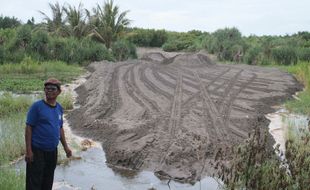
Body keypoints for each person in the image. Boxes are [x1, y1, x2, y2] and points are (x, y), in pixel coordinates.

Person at [25, 78, 72, 190]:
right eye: (47, 89)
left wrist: (66, 148)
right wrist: (28, 151)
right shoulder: (37, 107)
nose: (49, 91)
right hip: (37, 151)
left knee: (48, 181)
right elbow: (28, 128)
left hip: (52, 152)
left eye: (52, 89)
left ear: (59, 91)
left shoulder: (59, 108)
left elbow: (60, 128)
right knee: (34, 183)